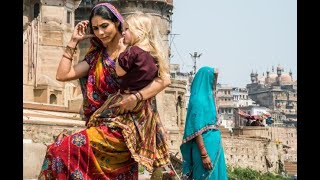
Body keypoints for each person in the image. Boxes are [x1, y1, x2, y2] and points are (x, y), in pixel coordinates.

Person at [38, 3, 170, 180]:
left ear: (117, 24)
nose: (100, 32)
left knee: (60, 150)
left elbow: (164, 79)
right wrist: (73, 41)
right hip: (101, 124)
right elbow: (62, 75)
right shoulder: (96, 57)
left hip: (126, 129)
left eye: (105, 26)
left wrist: (135, 97)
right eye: (95, 28)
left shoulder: (135, 53)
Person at [86, 11, 171, 173]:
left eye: (126, 29)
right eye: (95, 28)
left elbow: (119, 72)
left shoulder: (131, 52)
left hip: (123, 109)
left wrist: (121, 53)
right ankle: (160, 169)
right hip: (145, 115)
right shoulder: (153, 54)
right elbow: (164, 79)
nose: (123, 33)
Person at [180, 66, 228, 180]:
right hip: (204, 149)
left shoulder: (209, 100)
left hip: (215, 146)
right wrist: (204, 154)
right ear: (206, 79)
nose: (214, 82)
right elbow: (196, 129)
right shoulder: (198, 101)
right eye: (213, 78)